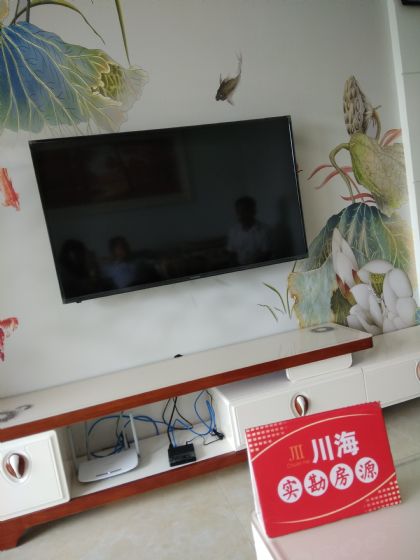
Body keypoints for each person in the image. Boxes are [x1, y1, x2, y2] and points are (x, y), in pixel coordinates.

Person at [227, 196, 271, 266]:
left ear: (253, 211)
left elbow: (266, 254)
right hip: (239, 268)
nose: (241, 215)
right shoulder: (233, 230)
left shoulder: (264, 230)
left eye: (244, 211)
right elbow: (231, 252)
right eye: (238, 211)